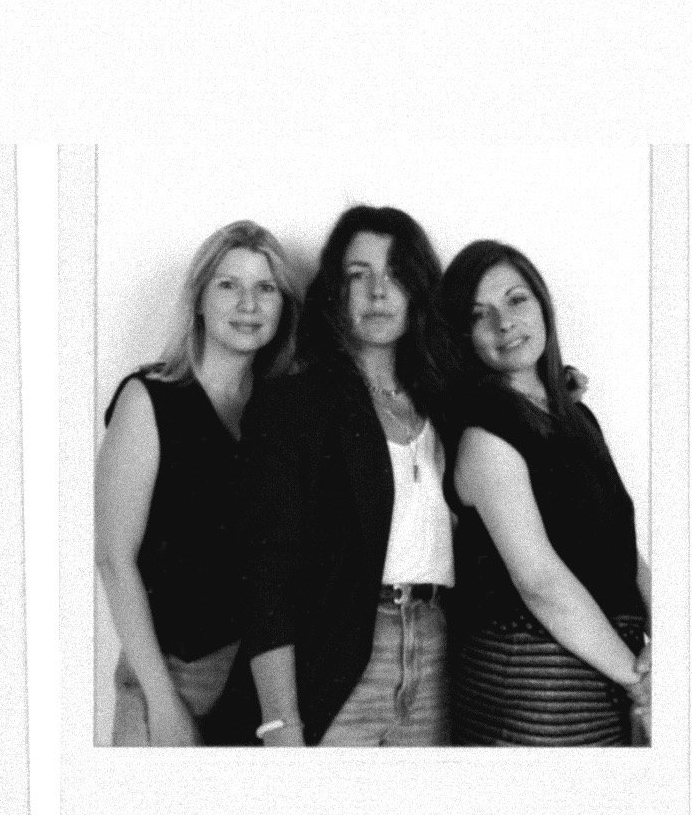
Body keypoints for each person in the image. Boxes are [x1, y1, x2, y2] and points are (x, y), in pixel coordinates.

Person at [242, 205, 453, 747]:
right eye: (359, 275)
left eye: (395, 274)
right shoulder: (295, 403)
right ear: (335, 290)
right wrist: (279, 721)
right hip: (341, 658)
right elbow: (268, 574)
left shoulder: (447, 403)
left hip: (440, 655)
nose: (378, 292)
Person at [434, 241, 650, 745]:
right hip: (534, 678)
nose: (503, 322)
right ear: (462, 337)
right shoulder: (485, 435)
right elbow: (539, 581)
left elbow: (622, 545)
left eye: (516, 300)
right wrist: (643, 684)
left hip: (603, 662)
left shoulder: (578, 417)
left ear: (542, 304)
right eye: (478, 314)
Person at [95, 221, 298, 746]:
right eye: (229, 284)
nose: (248, 304)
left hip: (259, 678)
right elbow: (114, 558)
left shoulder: (283, 410)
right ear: (200, 300)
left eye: (266, 288)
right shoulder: (150, 399)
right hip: (170, 673)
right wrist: (161, 704)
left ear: (284, 307)